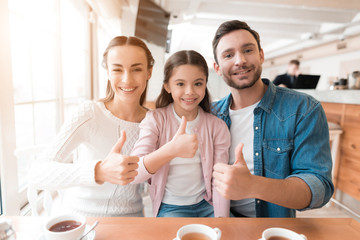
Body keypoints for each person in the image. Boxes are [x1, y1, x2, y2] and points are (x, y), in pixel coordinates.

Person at [211, 20, 333, 218]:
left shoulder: (304, 109)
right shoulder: (209, 114)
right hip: (217, 223)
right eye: (228, 55)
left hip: (271, 228)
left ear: (261, 55)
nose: (239, 60)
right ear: (217, 67)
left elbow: (319, 187)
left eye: (248, 50)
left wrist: (253, 185)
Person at [28, 36, 155, 217]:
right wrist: (98, 171)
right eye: (117, 70)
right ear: (108, 73)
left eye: (136, 69)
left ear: (149, 72)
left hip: (130, 220)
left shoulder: (154, 121)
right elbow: (37, 172)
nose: (127, 79)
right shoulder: (90, 113)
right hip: (80, 219)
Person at [131, 50, 231, 218]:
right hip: (171, 208)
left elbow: (220, 181)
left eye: (198, 83)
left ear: (205, 84)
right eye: (180, 84)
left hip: (207, 205)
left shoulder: (217, 127)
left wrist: (221, 221)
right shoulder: (155, 120)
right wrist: (171, 150)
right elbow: (134, 173)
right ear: (167, 86)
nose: (190, 91)